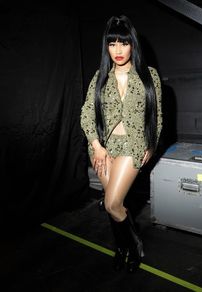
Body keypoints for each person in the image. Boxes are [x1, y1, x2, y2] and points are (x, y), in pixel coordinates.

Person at [80, 15, 162, 273]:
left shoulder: (149, 76)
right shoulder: (100, 77)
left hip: (133, 146)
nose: (117, 50)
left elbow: (157, 118)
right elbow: (86, 114)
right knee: (112, 204)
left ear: (133, 45)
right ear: (106, 46)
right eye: (112, 43)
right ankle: (123, 246)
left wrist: (151, 144)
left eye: (123, 43)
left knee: (113, 202)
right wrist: (96, 146)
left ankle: (133, 244)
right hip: (104, 147)